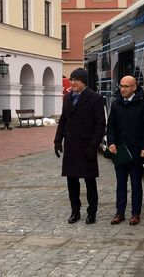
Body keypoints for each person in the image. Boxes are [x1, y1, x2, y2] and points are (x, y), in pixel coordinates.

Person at [54, 67, 105, 224]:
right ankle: (75, 211)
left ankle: (92, 212)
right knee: (72, 182)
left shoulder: (95, 98)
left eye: (76, 79)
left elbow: (100, 124)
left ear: (84, 81)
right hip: (71, 145)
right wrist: (57, 140)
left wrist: (93, 146)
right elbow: (63, 120)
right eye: (71, 79)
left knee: (89, 181)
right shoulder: (68, 97)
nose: (73, 82)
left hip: (86, 146)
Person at [106, 75, 144, 226]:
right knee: (120, 183)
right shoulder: (116, 104)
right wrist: (111, 142)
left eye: (126, 86)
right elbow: (110, 126)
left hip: (137, 150)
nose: (122, 89)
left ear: (134, 87)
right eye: (121, 86)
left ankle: (135, 213)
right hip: (120, 150)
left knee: (136, 184)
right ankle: (120, 213)